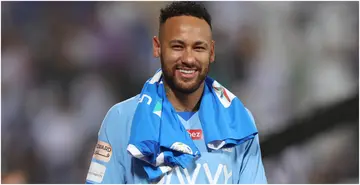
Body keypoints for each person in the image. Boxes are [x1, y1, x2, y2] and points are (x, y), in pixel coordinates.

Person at [85, 1, 267, 184]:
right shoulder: (121, 119)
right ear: (158, 47)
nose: (188, 59)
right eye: (177, 46)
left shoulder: (239, 122)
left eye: (198, 48)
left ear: (211, 52)